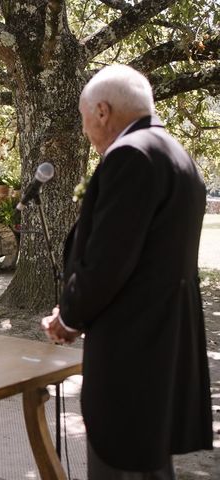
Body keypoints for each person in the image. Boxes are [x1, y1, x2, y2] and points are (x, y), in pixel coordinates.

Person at [41, 65, 212, 478]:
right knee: (150, 463)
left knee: (117, 461)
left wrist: (69, 317)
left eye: (84, 120)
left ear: (102, 111)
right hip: (165, 339)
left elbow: (109, 259)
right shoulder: (175, 154)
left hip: (131, 347)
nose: (86, 132)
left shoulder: (129, 156)